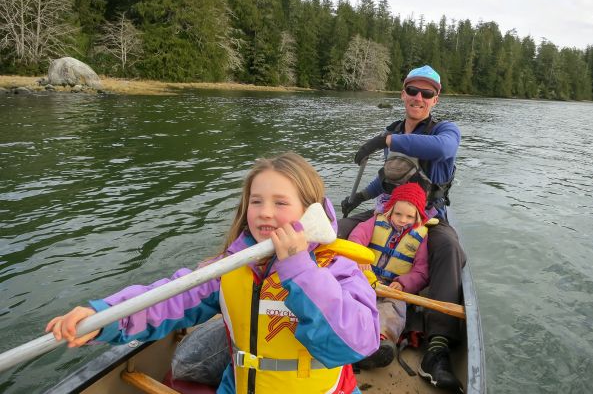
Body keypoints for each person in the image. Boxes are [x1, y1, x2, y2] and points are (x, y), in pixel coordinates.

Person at [46, 152, 380, 394]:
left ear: (311, 212)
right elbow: (170, 298)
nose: (265, 213)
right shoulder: (230, 268)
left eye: (280, 203)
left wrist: (298, 269)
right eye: (256, 201)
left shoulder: (338, 269)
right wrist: (105, 316)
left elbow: (354, 343)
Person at [339, 65, 466, 393]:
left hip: (428, 216)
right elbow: (385, 178)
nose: (418, 98)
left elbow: (442, 151)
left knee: (449, 247)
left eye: (427, 93)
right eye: (413, 91)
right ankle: (318, 304)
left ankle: (435, 349)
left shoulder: (445, 130)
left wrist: (387, 139)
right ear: (403, 94)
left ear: (435, 99)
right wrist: (358, 198)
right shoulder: (393, 129)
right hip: (387, 210)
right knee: (334, 231)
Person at [348, 182, 432, 370]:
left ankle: (381, 340)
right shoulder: (375, 221)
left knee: (393, 307)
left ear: (418, 217)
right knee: (351, 297)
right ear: (390, 211)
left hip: (393, 286)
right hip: (365, 276)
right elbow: (356, 238)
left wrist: (403, 284)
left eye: (410, 216)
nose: (403, 220)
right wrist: (359, 257)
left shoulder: (422, 237)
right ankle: (346, 333)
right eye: (398, 214)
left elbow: (421, 271)